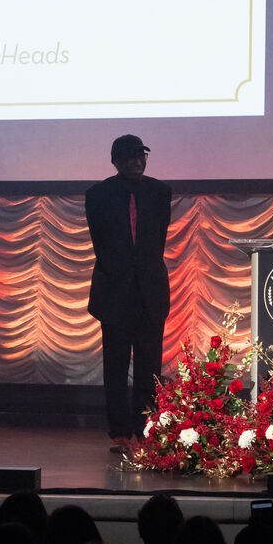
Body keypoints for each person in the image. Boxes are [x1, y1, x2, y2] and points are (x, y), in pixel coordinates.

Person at [85, 134, 173, 452]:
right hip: (114, 291)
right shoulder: (98, 194)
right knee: (116, 368)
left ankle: (145, 429)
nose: (138, 162)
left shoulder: (161, 192)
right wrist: (120, 269)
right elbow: (101, 243)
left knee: (150, 368)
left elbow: (157, 240)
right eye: (131, 157)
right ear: (116, 161)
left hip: (150, 291)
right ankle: (120, 433)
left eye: (142, 156)